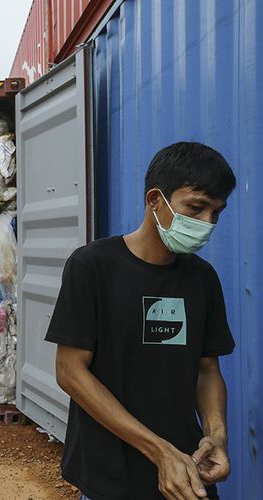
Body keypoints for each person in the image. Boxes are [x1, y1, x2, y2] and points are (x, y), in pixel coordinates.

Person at [46, 142, 237, 500]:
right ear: (155, 200)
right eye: (195, 208)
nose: (207, 224)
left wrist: (217, 436)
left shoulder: (203, 279)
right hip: (110, 471)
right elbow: (70, 371)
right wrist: (157, 450)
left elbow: (207, 369)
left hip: (185, 467)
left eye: (216, 213)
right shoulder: (92, 266)